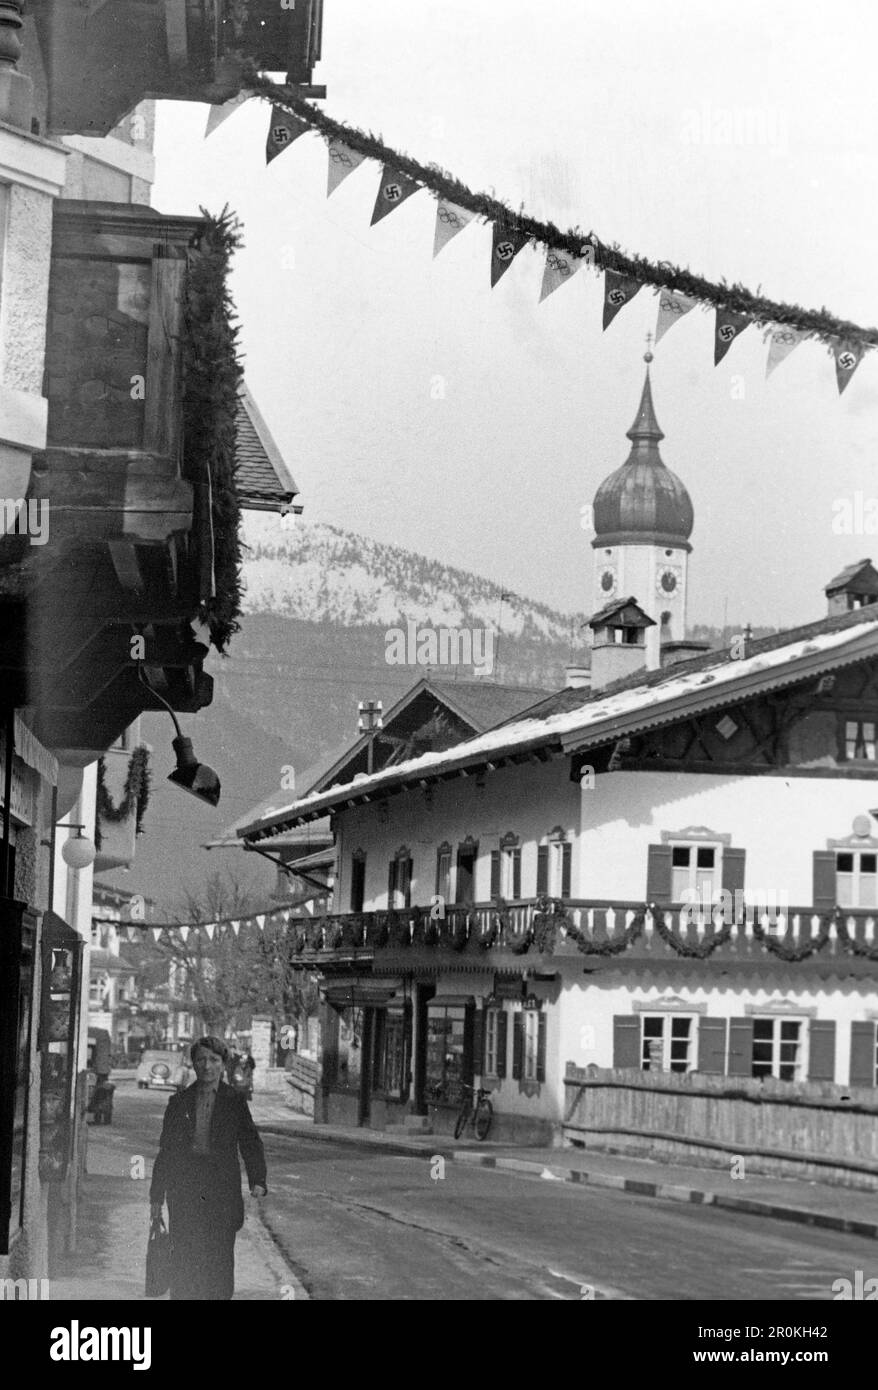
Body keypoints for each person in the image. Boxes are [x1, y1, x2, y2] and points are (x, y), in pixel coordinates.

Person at [149, 1035, 267, 1300]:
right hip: (185, 1191)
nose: (207, 1066)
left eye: (213, 1060)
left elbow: (250, 1141)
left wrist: (257, 1180)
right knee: (184, 1260)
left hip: (222, 1193)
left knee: (220, 1262)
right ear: (193, 1064)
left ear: (223, 1064)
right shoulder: (178, 1102)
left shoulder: (234, 1100)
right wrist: (156, 1196)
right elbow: (166, 1152)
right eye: (201, 1059)